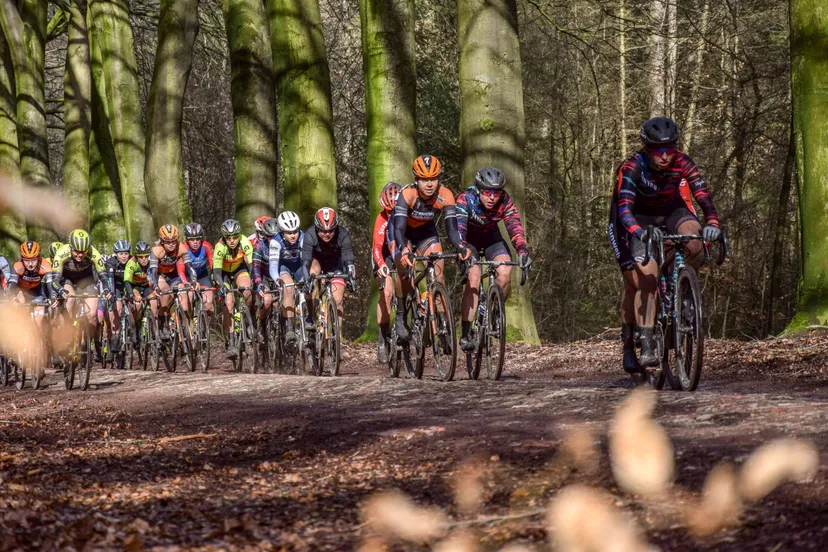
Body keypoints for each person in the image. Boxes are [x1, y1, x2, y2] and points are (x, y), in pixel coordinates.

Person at [608, 116, 721, 372]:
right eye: (658, 151)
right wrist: (639, 232)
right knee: (643, 281)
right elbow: (624, 210)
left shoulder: (682, 161)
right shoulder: (632, 167)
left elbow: (703, 197)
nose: (665, 156)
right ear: (647, 149)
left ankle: (682, 292)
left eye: (670, 149)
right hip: (634, 218)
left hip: (671, 211)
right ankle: (640, 344)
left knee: (694, 239)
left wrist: (712, 224)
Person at [392, 154, 471, 341]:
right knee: (403, 268)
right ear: (416, 179)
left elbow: (451, 229)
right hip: (402, 233)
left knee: (438, 271)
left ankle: (442, 319)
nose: (429, 184)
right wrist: (404, 249)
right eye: (424, 180)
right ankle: (402, 314)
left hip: (426, 233)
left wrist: (460, 246)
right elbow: (399, 228)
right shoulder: (407, 194)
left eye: (433, 179)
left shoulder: (445, 195)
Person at [456, 167, 533, 352]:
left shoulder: (504, 201)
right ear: (479, 189)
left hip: (491, 238)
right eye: (487, 192)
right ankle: (466, 332)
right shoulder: (466, 199)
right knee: (474, 278)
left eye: (496, 193)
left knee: (505, 270)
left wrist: (522, 251)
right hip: (469, 241)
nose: (492, 197)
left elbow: (514, 225)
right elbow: (459, 228)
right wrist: (461, 250)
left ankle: (495, 310)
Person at [51, 229, 109, 349]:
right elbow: (55, 281)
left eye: (83, 252)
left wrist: (107, 289)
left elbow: (103, 275)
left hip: (86, 280)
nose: (80, 255)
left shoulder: (94, 253)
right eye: (77, 251)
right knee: (69, 300)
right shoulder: (61, 253)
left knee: (92, 315)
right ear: (70, 247)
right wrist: (61, 290)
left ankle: (87, 343)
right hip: (67, 280)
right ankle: (68, 332)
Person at [301, 208, 355, 330]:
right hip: (317, 261)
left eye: (331, 230)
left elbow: (348, 260)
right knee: (311, 278)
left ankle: (336, 336)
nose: (327, 234)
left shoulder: (343, 234)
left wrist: (352, 277)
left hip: (336, 263)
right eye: (322, 231)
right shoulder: (310, 235)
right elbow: (305, 263)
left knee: (338, 299)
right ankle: (310, 315)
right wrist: (307, 281)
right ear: (316, 228)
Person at [212, 219, 255, 359]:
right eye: (229, 238)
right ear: (224, 238)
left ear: (239, 235)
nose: (232, 241)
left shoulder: (244, 242)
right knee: (229, 303)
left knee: (247, 290)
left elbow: (252, 265)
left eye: (235, 237)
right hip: (223, 274)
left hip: (239, 269)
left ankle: (249, 321)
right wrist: (221, 287)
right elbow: (216, 273)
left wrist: (255, 280)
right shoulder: (220, 247)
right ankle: (230, 341)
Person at [148, 225, 197, 335]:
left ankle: (184, 325)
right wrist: (156, 287)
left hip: (173, 275)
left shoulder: (181, 248)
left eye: (174, 241)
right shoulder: (156, 250)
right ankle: (162, 323)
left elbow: (189, 267)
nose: (171, 244)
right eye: (168, 241)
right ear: (161, 241)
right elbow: (154, 272)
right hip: (159, 275)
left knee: (183, 291)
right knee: (165, 294)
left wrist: (193, 280)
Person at [372, 182, 401, 363]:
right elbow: (376, 247)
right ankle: (382, 339)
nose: (391, 215)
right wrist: (381, 264)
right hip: (383, 255)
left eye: (395, 211)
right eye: (388, 211)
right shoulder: (381, 219)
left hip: (400, 252)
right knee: (387, 293)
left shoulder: (409, 214)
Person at [268, 211, 305, 348]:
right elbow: (273, 266)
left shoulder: (303, 237)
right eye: (289, 232)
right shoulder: (275, 241)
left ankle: (309, 318)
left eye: (295, 231)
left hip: (300, 265)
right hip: (284, 267)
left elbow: (307, 262)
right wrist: (277, 278)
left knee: (310, 284)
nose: (293, 235)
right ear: (282, 232)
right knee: (288, 286)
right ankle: (289, 327)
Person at [8, 241, 54, 331]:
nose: (30, 264)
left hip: (37, 292)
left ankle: (40, 338)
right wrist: (13, 297)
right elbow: (11, 286)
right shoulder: (17, 266)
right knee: (20, 301)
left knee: (39, 322)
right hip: (21, 291)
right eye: (26, 260)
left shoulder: (45, 266)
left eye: (33, 260)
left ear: (38, 258)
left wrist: (53, 297)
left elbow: (51, 285)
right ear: (22, 259)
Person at [179, 223, 215, 318]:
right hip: (187, 276)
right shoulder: (182, 248)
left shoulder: (206, 246)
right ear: (187, 239)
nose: (195, 242)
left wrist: (215, 279)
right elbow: (181, 271)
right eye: (191, 239)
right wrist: (186, 283)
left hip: (202, 276)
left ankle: (204, 327)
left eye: (198, 239)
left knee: (209, 304)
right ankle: (189, 324)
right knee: (189, 298)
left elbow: (213, 266)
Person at [103, 240, 131, 357]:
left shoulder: (132, 261)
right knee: (118, 309)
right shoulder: (111, 263)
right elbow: (110, 281)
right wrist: (113, 295)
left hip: (129, 285)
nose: (124, 256)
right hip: (116, 286)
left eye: (126, 253)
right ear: (116, 254)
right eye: (121, 254)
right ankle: (114, 338)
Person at [251, 217, 279, 338]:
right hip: (263, 276)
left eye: (275, 236)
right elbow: (255, 268)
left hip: (277, 276)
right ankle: (261, 326)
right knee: (267, 300)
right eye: (269, 237)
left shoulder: (282, 244)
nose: (272, 239)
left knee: (280, 302)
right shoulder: (259, 246)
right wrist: (259, 284)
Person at [124, 241, 155, 327]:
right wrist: (131, 294)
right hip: (135, 287)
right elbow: (127, 281)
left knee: (154, 302)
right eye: (141, 257)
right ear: (137, 257)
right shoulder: (132, 263)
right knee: (137, 304)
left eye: (146, 256)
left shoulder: (152, 261)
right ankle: (136, 326)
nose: (144, 259)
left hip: (146, 286)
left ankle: (155, 329)